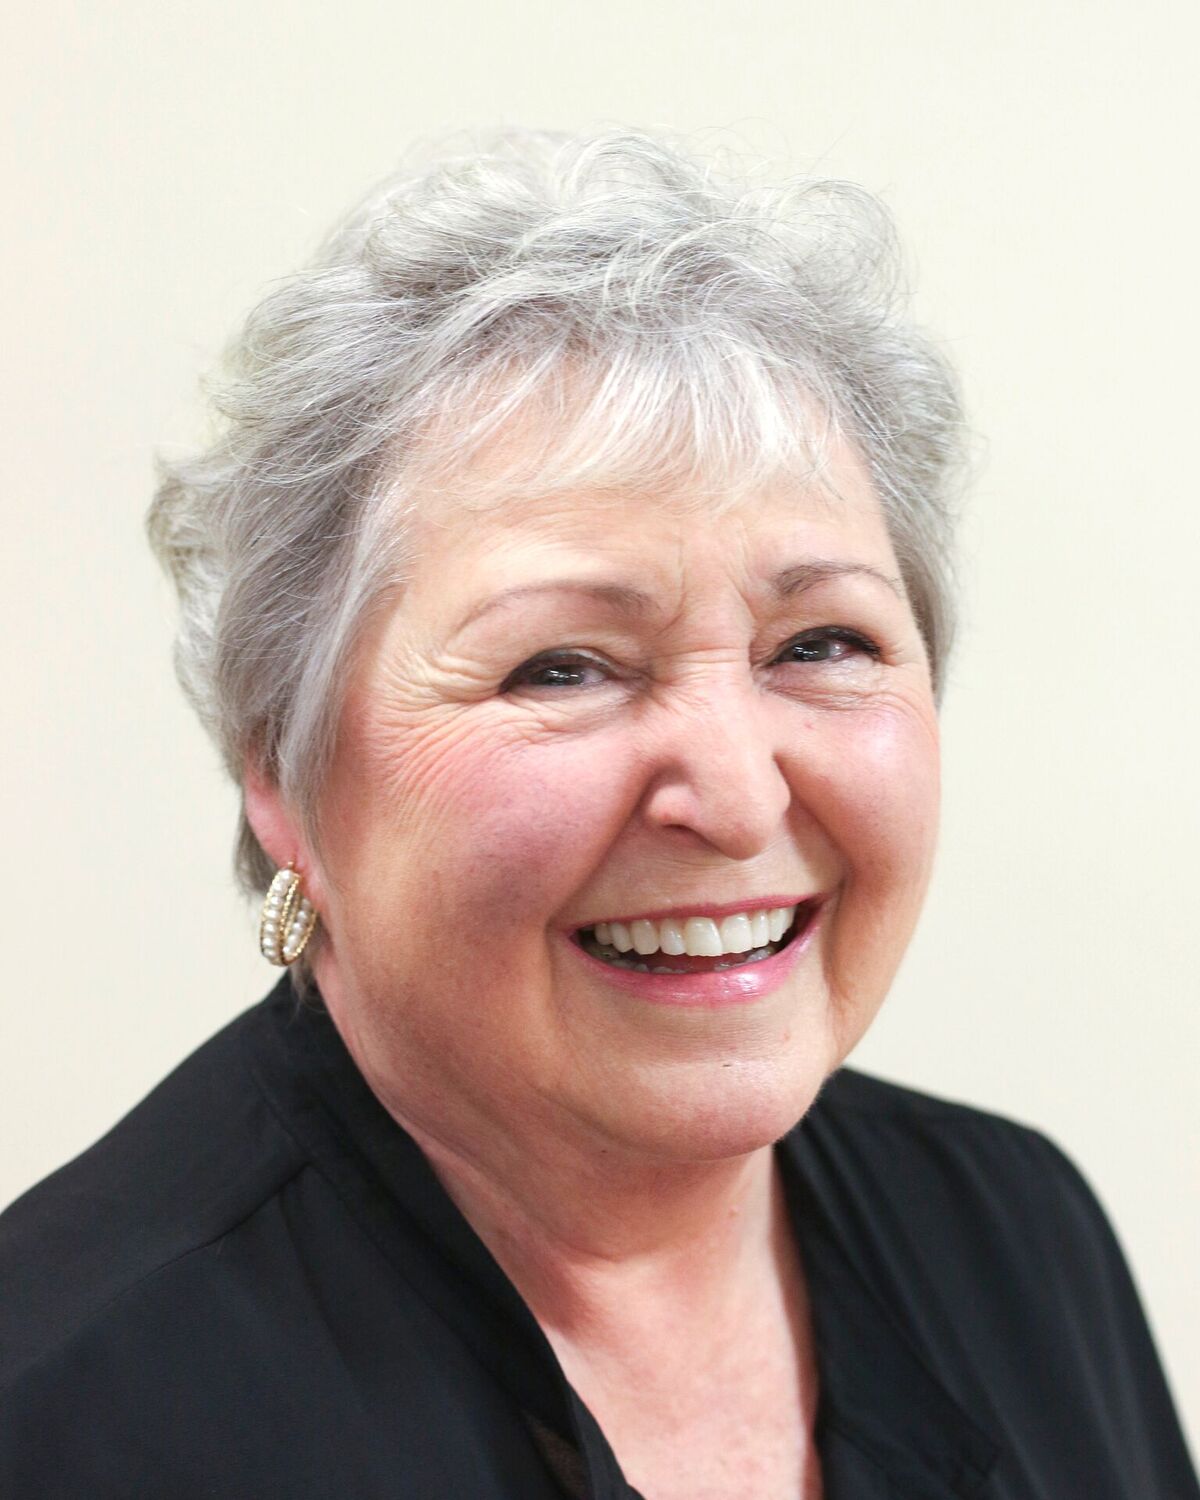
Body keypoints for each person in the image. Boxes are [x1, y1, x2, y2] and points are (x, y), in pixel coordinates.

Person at [0, 128, 1195, 1500]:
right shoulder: (63, 1414)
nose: (738, 798)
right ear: (281, 774)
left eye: (821, 644)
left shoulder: (1018, 1242)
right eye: (562, 667)